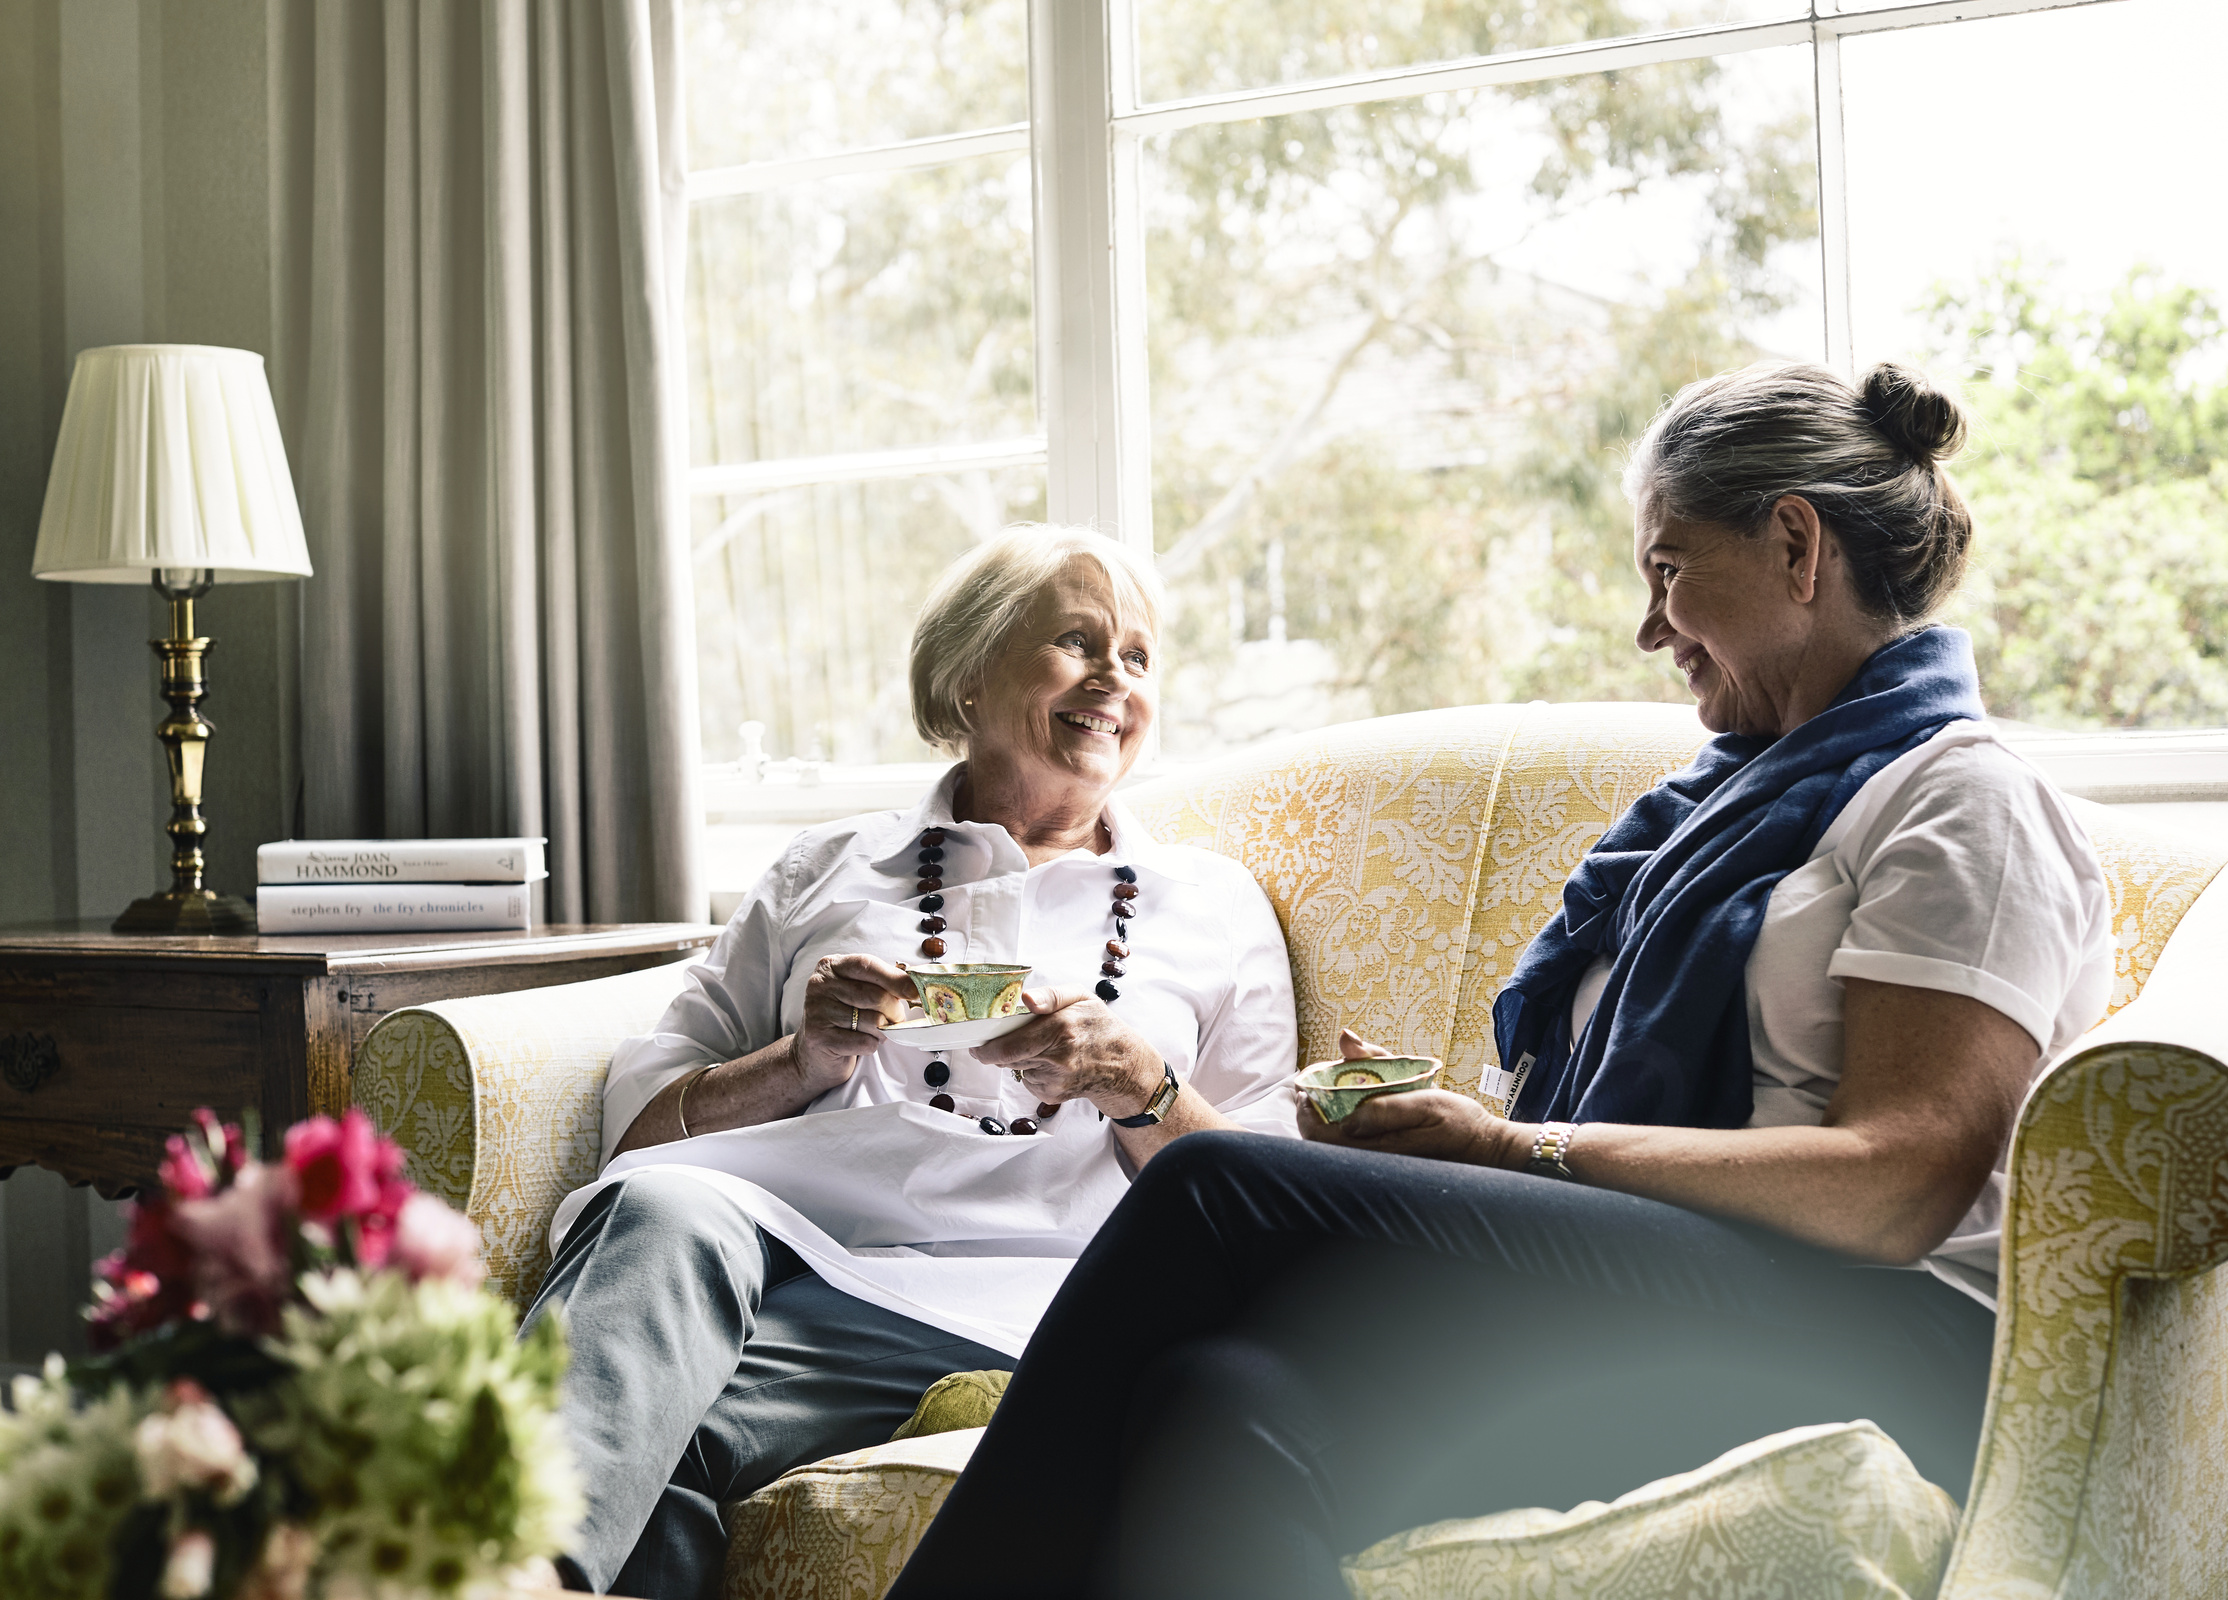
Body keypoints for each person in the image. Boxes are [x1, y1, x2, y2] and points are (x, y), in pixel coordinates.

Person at [889, 362, 2113, 1600]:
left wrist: (1514, 1151)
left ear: (1797, 545)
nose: (1652, 625)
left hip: (1872, 1327)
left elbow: (1898, 1187)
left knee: (1211, 1184)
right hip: (1690, 1275)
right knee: (1216, 1399)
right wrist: (1440, 1137)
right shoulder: (1708, 815)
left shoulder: (1963, 803)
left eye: (1670, 569)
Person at [529, 526, 1300, 1597]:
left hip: (1045, 1293)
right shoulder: (828, 866)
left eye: (1138, 656)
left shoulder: (1209, 904)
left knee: (646, 1432)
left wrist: (1142, 1086)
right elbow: (641, 1129)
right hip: (803, 1267)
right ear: (970, 672)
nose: (1114, 681)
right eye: (1078, 642)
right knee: (664, 1216)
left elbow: (1276, 1208)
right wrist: (803, 1058)